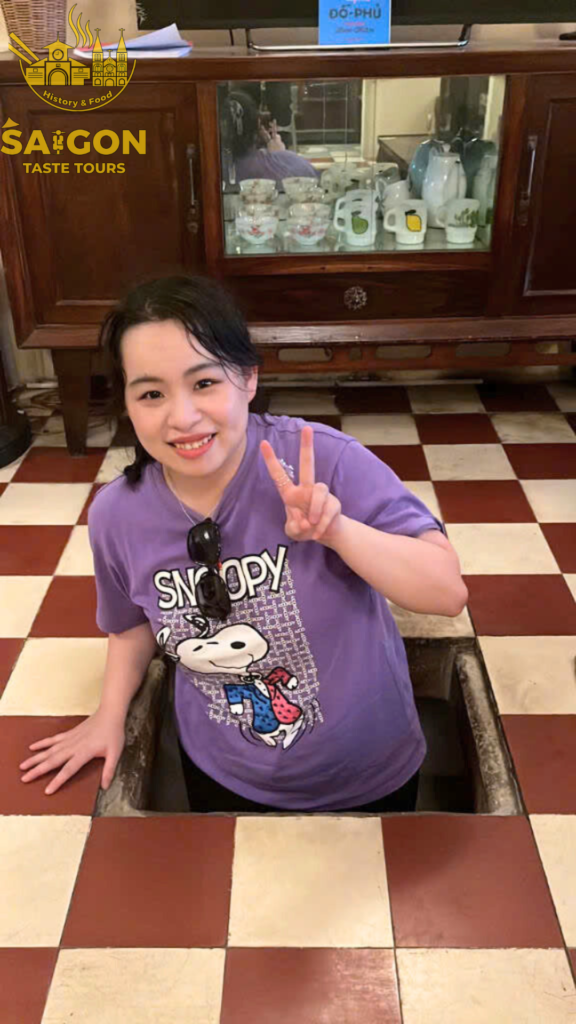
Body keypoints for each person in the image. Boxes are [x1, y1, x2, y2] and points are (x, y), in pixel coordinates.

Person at [19, 275, 468, 813]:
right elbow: (131, 626)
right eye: (152, 393)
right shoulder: (117, 514)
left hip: (369, 768)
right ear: (128, 404)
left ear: (248, 377)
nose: (182, 417)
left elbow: (447, 593)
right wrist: (108, 715)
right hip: (221, 773)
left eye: (205, 382)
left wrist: (338, 531)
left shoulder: (323, 461)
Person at [220, 89, 319, 185]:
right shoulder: (292, 164)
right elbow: (313, 181)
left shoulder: (215, 170)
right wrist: (280, 155)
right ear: (258, 123)